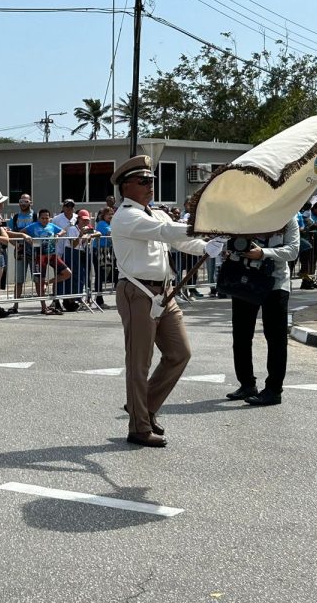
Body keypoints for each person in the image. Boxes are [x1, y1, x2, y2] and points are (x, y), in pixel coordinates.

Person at [110, 156, 222, 447]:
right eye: (144, 182)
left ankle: (143, 406)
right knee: (139, 362)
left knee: (179, 352)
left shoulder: (155, 213)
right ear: (126, 187)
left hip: (164, 292)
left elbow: (179, 240)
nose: (150, 187)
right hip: (138, 293)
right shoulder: (126, 216)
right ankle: (138, 427)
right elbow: (166, 232)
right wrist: (205, 228)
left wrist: (207, 247)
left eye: (152, 181)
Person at [224, 216, 300, 406]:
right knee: (241, 335)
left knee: (276, 338)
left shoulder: (287, 219)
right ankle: (247, 384)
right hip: (245, 280)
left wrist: (263, 253)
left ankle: (274, 390)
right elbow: (228, 243)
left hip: (275, 283)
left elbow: (292, 250)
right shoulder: (245, 218)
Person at [21, 209, 71, 315]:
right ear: (39, 218)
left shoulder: (52, 226)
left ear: (49, 218)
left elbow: (63, 231)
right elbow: (22, 233)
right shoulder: (33, 226)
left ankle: (48, 282)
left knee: (67, 273)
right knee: (39, 281)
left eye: (47, 218)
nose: (45, 220)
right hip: (39, 256)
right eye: (42, 218)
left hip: (52, 255)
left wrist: (58, 235)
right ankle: (43, 307)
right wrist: (27, 238)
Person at [8, 194, 37, 314]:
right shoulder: (15, 217)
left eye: (25, 201)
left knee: (37, 278)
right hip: (20, 250)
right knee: (19, 279)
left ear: (30, 202)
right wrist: (16, 245)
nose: (23, 203)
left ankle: (43, 304)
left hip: (34, 250)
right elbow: (9, 234)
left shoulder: (35, 216)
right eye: (21, 201)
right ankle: (15, 305)